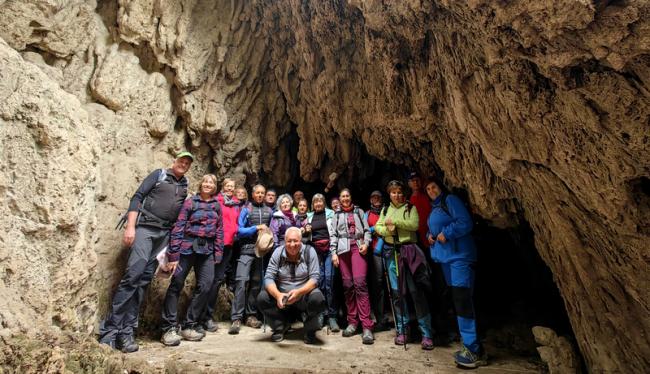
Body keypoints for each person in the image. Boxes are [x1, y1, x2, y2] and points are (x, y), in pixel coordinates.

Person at [99, 151, 193, 352]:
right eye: (181, 161)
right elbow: (137, 197)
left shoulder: (184, 186)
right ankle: (109, 332)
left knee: (143, 281)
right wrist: (130, 227)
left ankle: (127, 333)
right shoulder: (158, 175)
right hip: (146, 229)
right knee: (133, 275)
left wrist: (173, 251)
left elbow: (179, 220)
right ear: (174, 161)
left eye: (187, 163)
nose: (183, 164)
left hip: (164, 235)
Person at [425, 178, 487, 368]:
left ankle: (473, 349)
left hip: (460, 257)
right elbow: (433, 228)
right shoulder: (435, 208)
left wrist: (448, 233)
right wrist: (430, 236)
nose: (431, 190)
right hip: (447, 259)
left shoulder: (450, 200)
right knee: (460, 300)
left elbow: (465, 222)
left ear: (440, 187)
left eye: (433, 186)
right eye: (428, 189)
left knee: (462, 300)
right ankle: (472, 345)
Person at [160, 174, 224, 346]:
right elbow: (179, 226)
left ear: (215, 186)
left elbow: (219, 230)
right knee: (176, 284)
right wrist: (174, 254)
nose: (208, 184)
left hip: (207, 251)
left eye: (211, 182)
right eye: (205, 181)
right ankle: (169, 327)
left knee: (206, 285)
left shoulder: (217, 206)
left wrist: (218, 253)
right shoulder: (190, 202)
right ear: (201, 184)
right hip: (186, 249)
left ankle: (190, 324)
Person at [375, 180, 434, 350]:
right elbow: (379, 227)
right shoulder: (385, 209)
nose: (397, 195)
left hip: (409, 251)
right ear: (389, 194)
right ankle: (402, 329)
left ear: (404, 193)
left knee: (416, 292)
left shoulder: (410, 208)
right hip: (391, 252)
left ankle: (426, 332)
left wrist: (396, 224)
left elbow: (414, 225)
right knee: (397, 293)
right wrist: (389, 230)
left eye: (399, 192)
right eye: (393, 192)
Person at [257, 228, 326, 344]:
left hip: (304, 296)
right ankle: (280, 327)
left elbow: (315, 279)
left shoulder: (310, 251)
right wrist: (278, 295)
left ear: (301, 241)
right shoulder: (278, 252)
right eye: (289, 241)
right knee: (262, 298)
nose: (292, 244)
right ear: (284, 241)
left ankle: (310, 329)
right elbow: (268, 278)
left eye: (296, 241)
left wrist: (299, 293)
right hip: (283, 298)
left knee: (318, 299)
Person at [330, 189, 374, 345]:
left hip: (358, 247)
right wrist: (333, 253)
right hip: (343, 251)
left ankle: (367, 326)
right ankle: (352, 322)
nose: (345, 198)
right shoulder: (336, 215)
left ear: (351, 197)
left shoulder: (359, 211)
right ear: (340, 199)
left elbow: (367, 230)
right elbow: (333, 234)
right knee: (348, 286)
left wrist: (367, 244)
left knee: (360, 284)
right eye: (342, 196)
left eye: (347, 196)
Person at [229, 185, 272, 334]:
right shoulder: (246, 209)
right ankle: (236, 318)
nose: (260, 195)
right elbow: (239, 230)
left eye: (262, 193)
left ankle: (251, 315)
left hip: (261, 252)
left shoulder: (269, 211)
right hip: (246, 251)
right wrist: (256, 228)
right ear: (253, 195)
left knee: (255, 284)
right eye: (257, 193)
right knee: (241, 282)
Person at [200, 178, 240, 333]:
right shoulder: (217, 201)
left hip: (229, 245)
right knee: (206, 280)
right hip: (214, 244)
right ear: (223, 187)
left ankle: (207, 317)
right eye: (228, 186)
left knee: (216, 281)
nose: (230, 188)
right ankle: (199, 316)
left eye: (232, 186)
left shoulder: (236, 204)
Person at [304, 194, 339, 332]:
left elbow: (335, 231)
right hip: (315, 251)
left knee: (330, 281)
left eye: (320, 201)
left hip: (329, 250)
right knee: (319, 282)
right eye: (315, 202)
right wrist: (306, 230)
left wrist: (335, 251)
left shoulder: (331, 214)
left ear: (324, 203)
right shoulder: (309, 216)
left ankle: (332, 316)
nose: (318, 204)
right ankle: (321, 314)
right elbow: (305, 234)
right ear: (313, 204)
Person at [365, 190, 390, 330]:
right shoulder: (367, 214)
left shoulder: (387, 211)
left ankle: (397, 320)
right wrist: (372, 229)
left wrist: (376, 229)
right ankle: (381, 318)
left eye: (379, 197)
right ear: (370, 200)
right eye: (374, 197)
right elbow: (363, 230)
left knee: (392, 284)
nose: (376, 199)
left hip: (390, 248)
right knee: (378, 283)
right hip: (374, 251)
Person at [408, 172, 431, 248]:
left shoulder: (429, 194)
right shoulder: (408, 202)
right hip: (420, 238)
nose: (415, 182)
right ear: (409, 184)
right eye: (413, 181)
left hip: (434, 234)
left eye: (417, 180)